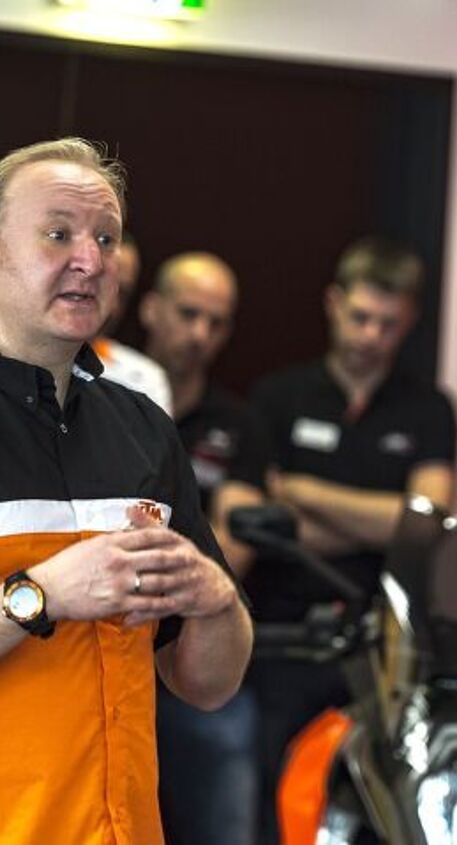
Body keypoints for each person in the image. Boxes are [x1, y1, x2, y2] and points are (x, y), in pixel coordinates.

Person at [0, 137, 252, 845]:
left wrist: (217, 601)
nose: (91, 259)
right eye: (58, 234)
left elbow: (207, 685)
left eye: (106, 238)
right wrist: (42, 595)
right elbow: (46, 596)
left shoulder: (144, 428)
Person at [236, 235, 457, 842]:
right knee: (281, 811)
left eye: (388, 324)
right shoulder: (277, 398)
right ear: (333, 303)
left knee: (383, 816)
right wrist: (381, 523)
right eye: (360, 317)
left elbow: (426, 525)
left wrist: (302, 491)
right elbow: (260, 526)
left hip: (387, 647)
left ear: (409, 322)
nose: (370, 336)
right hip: (286, 640)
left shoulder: (430, 408)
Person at [140, 251, 268, 845]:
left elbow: (231, 548)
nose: (200, 334)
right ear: (150, 309)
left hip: (189, 634)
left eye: (216, 323)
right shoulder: (99, 406)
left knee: (227, 738)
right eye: (188, 314)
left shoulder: (239, 422)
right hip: (101, 633)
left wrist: (168, 585)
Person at [93, 232, 173, 414]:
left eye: (123, 294)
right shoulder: (30, 358)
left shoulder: (144, 380)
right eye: (103, 285)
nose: (112, 306)